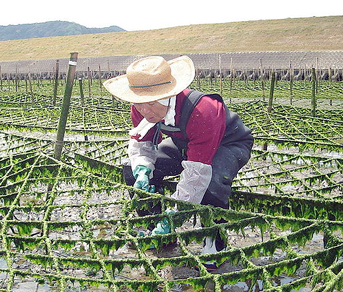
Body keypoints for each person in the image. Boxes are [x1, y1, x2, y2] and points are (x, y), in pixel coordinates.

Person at [103, 55, 254, 270]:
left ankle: (214, 241)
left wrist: (174, 215)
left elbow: (197, 173)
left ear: (168, 96)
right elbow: (142, 144)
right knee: (132, 170)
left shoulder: (204, 111)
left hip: (228, 144)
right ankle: (155, 227)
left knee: (213, 181)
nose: (144, 111)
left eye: (152, 103)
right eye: (138, 103)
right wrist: (143, 169)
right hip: (184, 142)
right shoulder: (141, 108)